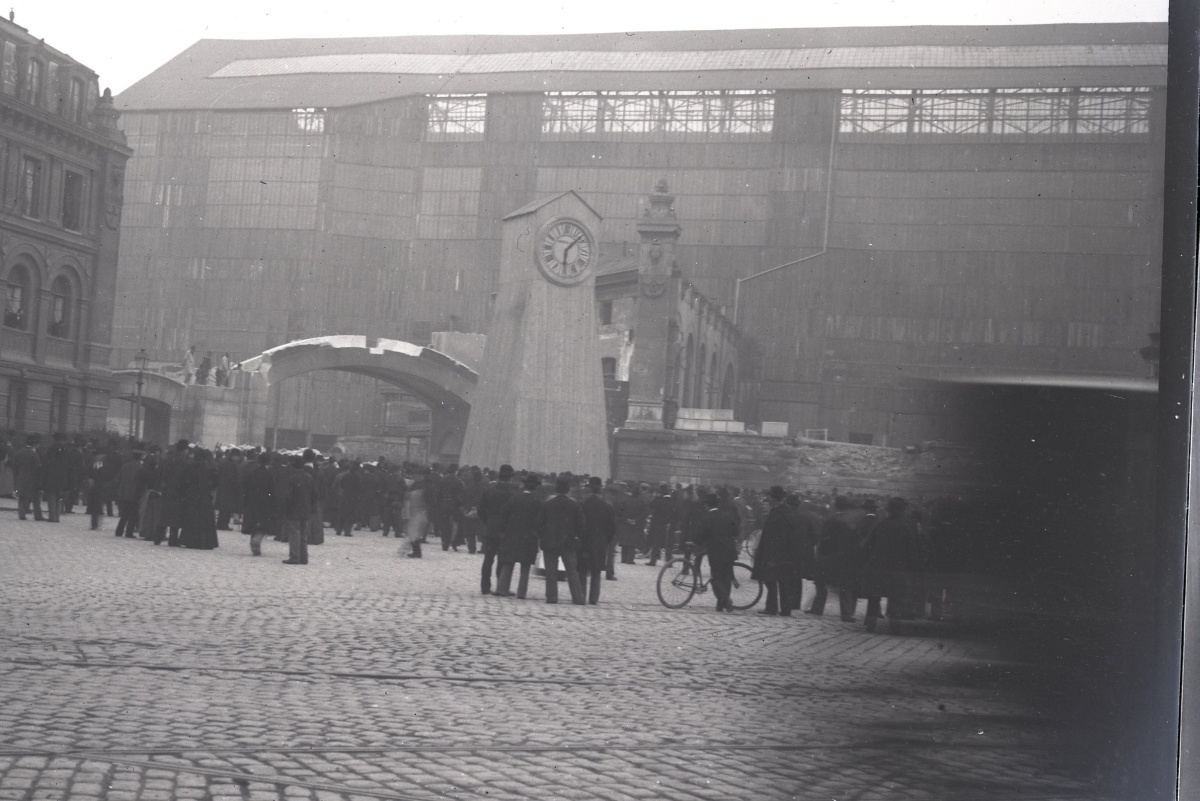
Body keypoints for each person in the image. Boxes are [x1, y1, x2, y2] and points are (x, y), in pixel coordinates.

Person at [860, 497, 924, 633]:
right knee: (895, 599)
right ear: (902, 511)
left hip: (877, 568)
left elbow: (867, 545)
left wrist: (868, 561)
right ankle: (895, 626)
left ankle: (870, 624)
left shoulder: (879, 524)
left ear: (888, 510)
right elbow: (911, 550)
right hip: (897, 569)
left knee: (874, 598)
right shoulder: (905, 527)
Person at [752, 486, 804, 616]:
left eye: (769, 496)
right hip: (787, 552)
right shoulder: (788, 511)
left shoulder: (776, 512)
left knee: (770, 580)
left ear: (773, 498)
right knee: (784, 580)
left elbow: (771, 535)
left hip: (774, 552)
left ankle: (771, 608)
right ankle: (786, 609)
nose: (768, 498)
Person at [536, 476, 587, 605]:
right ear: (568, 489)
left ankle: (552, 597)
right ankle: (578, 597)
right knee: (572, 571)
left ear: (556, 489)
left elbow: (539, 524)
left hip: (550, 541)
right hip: (568, 542)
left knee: (550, 571)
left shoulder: (547, 504)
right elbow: (582, 525)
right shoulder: (574, 505)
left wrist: (543, 536)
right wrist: (576, 536)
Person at [492, 473, 542, 599]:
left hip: (512, 534)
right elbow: (540, 521)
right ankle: (521, 592)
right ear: (535, 487)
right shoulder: (537, 501)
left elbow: (503, 513)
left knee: (508, 562)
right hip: (529, 537)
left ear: (524, 485)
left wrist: (503, 529)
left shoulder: (514, 498)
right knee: (525, 566)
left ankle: (502, 588)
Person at [692, 492, 739, 612]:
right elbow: (736, 531)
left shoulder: (707, 518)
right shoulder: (728, 516)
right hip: (730, 551)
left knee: (716, 578)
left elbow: (699, 536)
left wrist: (694, 542)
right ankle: (720, 605)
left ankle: (726, 601)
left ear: (707, 505)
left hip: (716, 553)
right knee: (726, 578)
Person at [477, 464, 517, 594]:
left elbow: (480, 510)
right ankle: (501, 586)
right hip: (506, 529)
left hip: (491, 527)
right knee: (503, 559)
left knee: (488, 559)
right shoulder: (513, 492)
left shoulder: (489, 491)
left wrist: (488, 521)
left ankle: (485, 587)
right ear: (510, 477)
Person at [578, 476, 615, 604]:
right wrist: (606, 540)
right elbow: (612, 528)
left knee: (582, 570)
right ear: (600, 490)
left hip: (584, 541)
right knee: (596, 570)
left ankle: (581, 595)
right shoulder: (607, 507)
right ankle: (594, 598)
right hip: (600, 542)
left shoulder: (582, 505)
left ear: (589, 489)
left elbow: (578, 525)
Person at [179, 448, 219, 550]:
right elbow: (215, 481)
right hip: (204, 495)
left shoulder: (191, 466)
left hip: (193, 495)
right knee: (205, 519)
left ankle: (191, 541)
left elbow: (185, 481)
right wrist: (209, 489)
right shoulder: (209, 467)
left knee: (192, 518)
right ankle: (206, 542)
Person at [281, 456, 314, 565]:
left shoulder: (292, 478)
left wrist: (286, 508)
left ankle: (295, 557)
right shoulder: (309, 477)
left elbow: (288, 496)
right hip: (306, 510)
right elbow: (315, 494)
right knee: (304, 535)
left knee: (294, 534)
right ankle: (304, 557)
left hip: (294, 510)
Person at [241, 452, 275, 556]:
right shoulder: (269, 474)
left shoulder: (252, 472)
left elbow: (246, 487)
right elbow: (272, 490)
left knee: (253, 524)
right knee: (263, 525)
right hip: (265, 502)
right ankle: (257, 541)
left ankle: (254, 547)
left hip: (252, 501)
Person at [113, 451, 146, 538]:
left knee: (124, 513)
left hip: (124, 493)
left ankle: (119, 531)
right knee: (133, 515)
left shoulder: (125, 466)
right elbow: (141, 482)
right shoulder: (141, 467)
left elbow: (118, 479)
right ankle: (129, 532)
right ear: (140, 457)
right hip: (135, 494)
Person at [614, 482, 648, 568]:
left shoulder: (625, 500)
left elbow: (620, 512)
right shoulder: (642, 502)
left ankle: (623, 559)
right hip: (635, 524)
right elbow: (644, 513)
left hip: (625, 523)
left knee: (624, 541)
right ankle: (630, 559)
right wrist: (636, 520)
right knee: (632, 542)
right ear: (639, 493)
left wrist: (626, 519)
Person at [12, 434, 43, 521]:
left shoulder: (19, 452)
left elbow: (14, 466)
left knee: (22, 496)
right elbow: (38, 468)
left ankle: (22, 514)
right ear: (35, 444)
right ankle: (38, 515)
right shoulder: (34, 453)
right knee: (36, 498)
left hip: (21, 477)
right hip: (32, 478)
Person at [646, 483, 676, 566]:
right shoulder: (672, 501)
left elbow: (651, 505)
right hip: (668, 525)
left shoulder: (659, 500)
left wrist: (656, 497)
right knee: (667, 544)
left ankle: (653, 561)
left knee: (655, 543)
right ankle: (669, 562)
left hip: (657, 524)